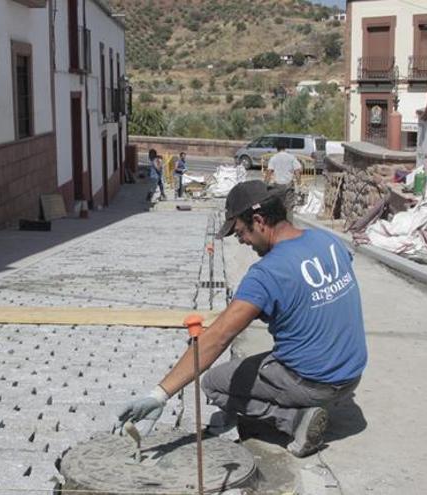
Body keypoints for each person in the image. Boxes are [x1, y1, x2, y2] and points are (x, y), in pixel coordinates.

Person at [115, 180, 367, 458]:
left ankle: (294, 420)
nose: (243, 242)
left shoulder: (266, 274)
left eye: (240, 233)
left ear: (259, 221)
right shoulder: (327, 240)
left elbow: (220, 336)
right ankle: (310, 398)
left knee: (214, 383)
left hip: (313, 385)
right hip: (352, 375)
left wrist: (159, 395)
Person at [264, 143, 302, 222]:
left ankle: (279, 223)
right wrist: (299, 182)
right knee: (289, 206)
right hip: (288, 185)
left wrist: (265, 184)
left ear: (277, 149)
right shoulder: (291, 157)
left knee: (279, 205)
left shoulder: (273, 158)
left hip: (278, 185)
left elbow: (269, 171)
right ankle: (289, 224)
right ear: (285, 148)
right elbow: (297, 170)